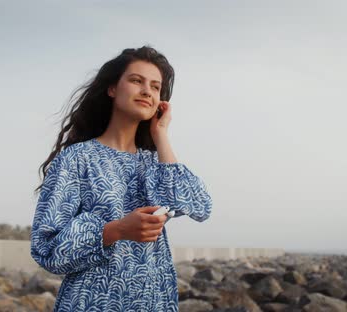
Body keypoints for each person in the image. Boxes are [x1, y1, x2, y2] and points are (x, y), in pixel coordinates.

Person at [30, 46, 213, 311]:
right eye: (136, 80)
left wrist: (161, 134)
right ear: (112, 88)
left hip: (153, 303)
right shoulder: (77, 159)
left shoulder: (155, 162)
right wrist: (115, 231)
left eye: (155, 86)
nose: (147, 91)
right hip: (91, 304)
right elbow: (46, 249)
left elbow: (199, 206)